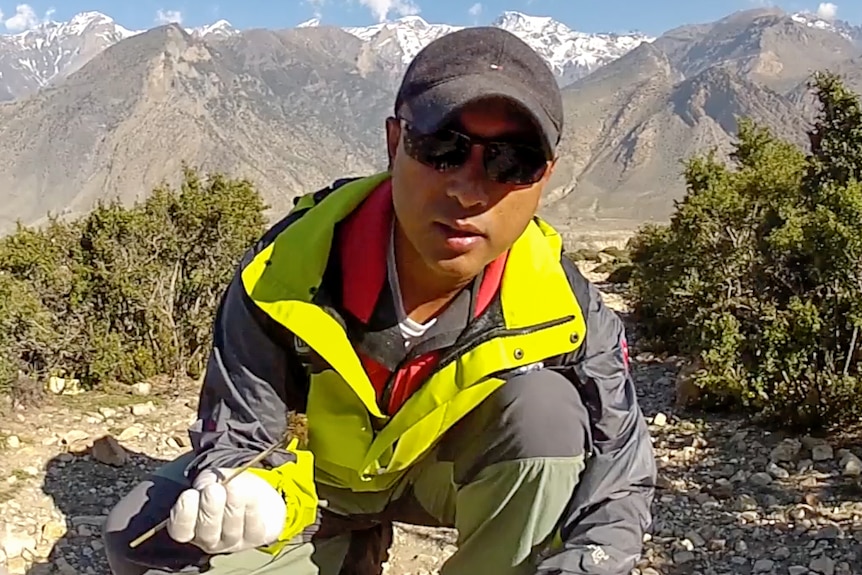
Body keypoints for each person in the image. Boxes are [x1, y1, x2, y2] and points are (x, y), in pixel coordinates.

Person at [102, 26, 656, 575]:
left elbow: (618, 469)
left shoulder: (563, 304)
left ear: (546, 177)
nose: (468, 189)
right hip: (320, 484)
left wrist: (589, 565)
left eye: (512, 162)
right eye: (443, 148)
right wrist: (248, 488)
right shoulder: (283, 272)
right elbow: (241, 435)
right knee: (144, 546)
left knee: (549, 417)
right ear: (395, 143)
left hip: (444, 479)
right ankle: (345, 548)